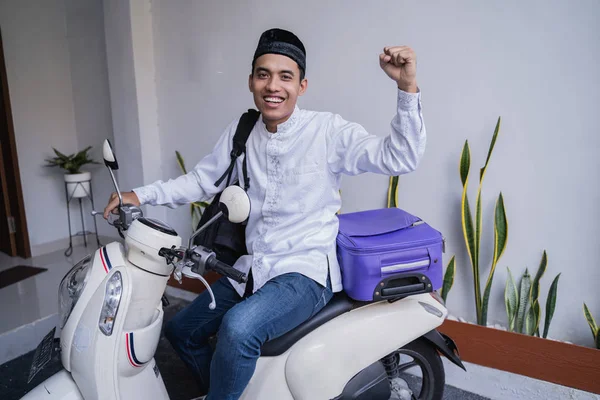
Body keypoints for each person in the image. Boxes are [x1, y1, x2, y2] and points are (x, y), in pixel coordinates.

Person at [103, 28, 426, 400]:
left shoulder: (327, 131)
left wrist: (406, 87)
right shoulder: (242, 131)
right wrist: (138, 195)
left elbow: (400, 156)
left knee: (239, 329)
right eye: (264, 74)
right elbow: (200, 181)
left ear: (302, 85)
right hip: (252, 268)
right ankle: (229, 389)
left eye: (285, 76)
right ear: (251, 81)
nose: (273, 86)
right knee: (181, 331)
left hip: (304, 273)